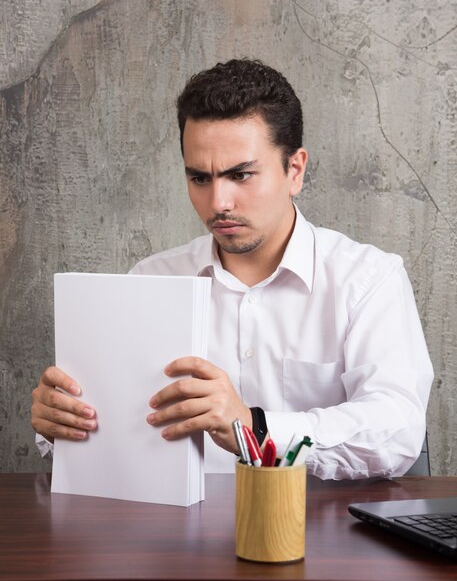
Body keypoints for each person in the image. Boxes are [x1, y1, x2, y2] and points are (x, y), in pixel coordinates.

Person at [32, 59, 434, 478]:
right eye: (200, 178)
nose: (219, 202)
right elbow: (105, 426)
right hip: (176, 536)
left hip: (322, 535)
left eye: (240, 175)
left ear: (294, 170)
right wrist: (59, 421)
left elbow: (396, 429)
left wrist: (255, 428)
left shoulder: (367, 280)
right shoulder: (152, 281)